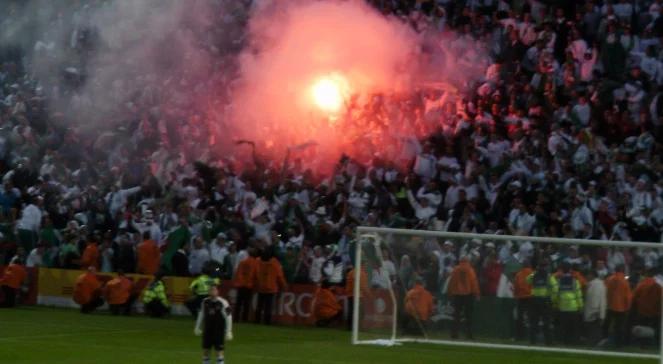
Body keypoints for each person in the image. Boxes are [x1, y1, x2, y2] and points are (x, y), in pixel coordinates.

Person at [194, 285, 233, 364]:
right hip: (207, 330)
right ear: (208, 291)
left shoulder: (223, 302)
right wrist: (197, 327)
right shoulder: (205, 301)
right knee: (206, 351)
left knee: (219, 352)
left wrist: (229, 331)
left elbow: (229, 317)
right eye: (211, 290)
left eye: (214, 290)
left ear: (218, 291)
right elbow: (201, 314)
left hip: (218, 331)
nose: (212, 291)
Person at [447, 256, 480, 340]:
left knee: (456, 315)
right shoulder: (470, 269)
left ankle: (454, 334)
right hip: (468, 295)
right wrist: (476, 294)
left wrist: (450, 293)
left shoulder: (456, 269)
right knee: (468, 316)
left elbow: (451, 282)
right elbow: (474, 282)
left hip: (457, 295)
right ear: (468, 261)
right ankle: (469, 334)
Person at [527, 260, 556, 345]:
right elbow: (555, 288)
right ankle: (548, 342)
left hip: (535, 300)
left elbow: (527, 280)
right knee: (547, 322)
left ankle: (532, 341)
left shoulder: (534, 275)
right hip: (545, 301)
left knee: (533, 322)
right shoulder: (549, 276)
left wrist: (535, 272)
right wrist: (553, 300)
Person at [554, 262, 583, 345]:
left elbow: (556, 294)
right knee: (573, 328)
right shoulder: (575, 281)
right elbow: (579, 295)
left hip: (562, 307)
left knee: (563, 327)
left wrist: (556, 305)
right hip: (573, 308)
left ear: (562, 270)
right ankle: (574, 342)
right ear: (570, 270)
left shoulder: (559, 281)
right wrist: (580, 306)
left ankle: (563, 342)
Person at [254, 249, 287, 325]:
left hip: (261, 287)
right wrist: (284, 285)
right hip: (270, 288)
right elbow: (279, 276)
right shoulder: (275, 263)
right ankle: (267, 322)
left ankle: (257, 320)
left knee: (259, 305)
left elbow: (256, 273)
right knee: (268, 307)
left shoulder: (259, 261)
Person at [603, 265, 631, 347]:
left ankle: (605, 341)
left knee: (607, 325)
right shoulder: (624, 281)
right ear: (622, 270)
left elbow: (605, 292)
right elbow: (628, 296)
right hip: (621, 308)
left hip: (610, 306)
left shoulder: (609, 279)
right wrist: (628, 307)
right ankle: (618, 344)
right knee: (619, 327)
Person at [632, 269, 662, 344]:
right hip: (655, 311)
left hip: (642, 311)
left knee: (642, 327)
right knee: (654, 328)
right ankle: (655, 342)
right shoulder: (659, 284)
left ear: (646, 274)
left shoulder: (642, 284)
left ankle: (643, 343)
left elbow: (634, 296)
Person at [233, 247, 257, 323]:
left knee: (238, 303)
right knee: (246, 303)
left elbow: (237, 272)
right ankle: (244, 319)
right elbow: (255, 274)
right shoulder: (255, 263)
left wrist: (237, 282)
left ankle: (236, 318)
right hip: (249, 285)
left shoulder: (242, 262)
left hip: (240, 284)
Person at [583, 270, 606, 345]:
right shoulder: (594, 284)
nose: (586, 277)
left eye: (587, 275)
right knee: (593, 329)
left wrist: (600, 313)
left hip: (594, 312)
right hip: (594, 311)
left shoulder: (598, 285)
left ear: (592, 275)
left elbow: (601, 300)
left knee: (594, 329)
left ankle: (593, 342)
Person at [513, 261, 533, 340]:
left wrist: (515, 295)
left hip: (521, 298)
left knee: (520, 318)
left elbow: (516, 287)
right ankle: (531, 336)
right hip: (531, 297)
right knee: (531, 318)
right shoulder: (532, 274)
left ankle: (519, 336)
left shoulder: (519, 274)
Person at [344, 264, 368, 330]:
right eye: (365, 265)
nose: (366, 266)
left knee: (351, 311)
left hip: (350, 294)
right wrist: (368, 294)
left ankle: (350, 326)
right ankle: (358, 326)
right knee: (360, 311)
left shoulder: (351, 272)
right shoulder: (361, 273)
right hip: (357, 295)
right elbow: (362, 286)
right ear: (361, 265)